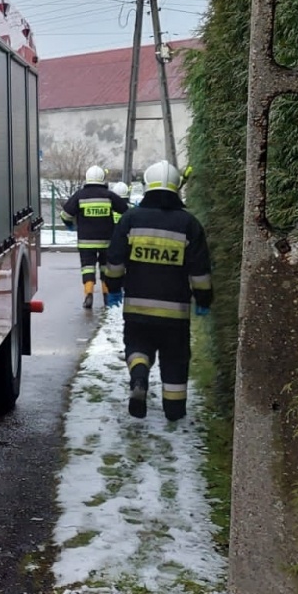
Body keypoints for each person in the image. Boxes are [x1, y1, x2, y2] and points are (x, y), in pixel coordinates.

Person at [101, 160, 213, 421]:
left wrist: (113, 288)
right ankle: (174, 410)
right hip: (175, 313)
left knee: (138, 346)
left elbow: (114, 260)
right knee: (175, 357)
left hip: (137, 307)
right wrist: (204, 299)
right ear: (177, 187)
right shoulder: (189, 224)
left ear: (146, 185)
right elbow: (200, 270)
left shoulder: (131, 219)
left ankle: (139, 378)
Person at [60, 165, 127, 309]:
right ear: (102, 179)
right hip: (106, 241)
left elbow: (65, 215)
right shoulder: (109, 196)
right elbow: (125, 210)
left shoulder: (80, 195)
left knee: (87, 267)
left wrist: (71, 225)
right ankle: (106, 296)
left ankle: (88, 294)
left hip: (86, 242)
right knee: (105, 268)